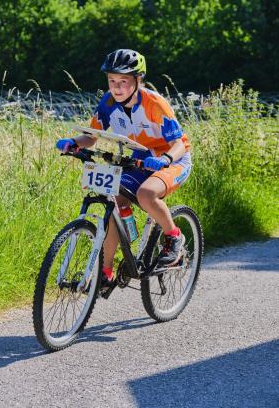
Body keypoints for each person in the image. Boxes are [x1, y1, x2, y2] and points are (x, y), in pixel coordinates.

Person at [56, 49, 191, 288]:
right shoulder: (108, 103)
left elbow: (179, 143)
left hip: (173, 159)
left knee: (146, 193)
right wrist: (74, 143)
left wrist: (166, 159)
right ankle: (106, 272)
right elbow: (91, 137)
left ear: (138, 81)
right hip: (140, 158)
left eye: (124, 81)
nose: (116, 87)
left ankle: (174, 238)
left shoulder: (155, 104)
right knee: (115, 199)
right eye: (112, 81)